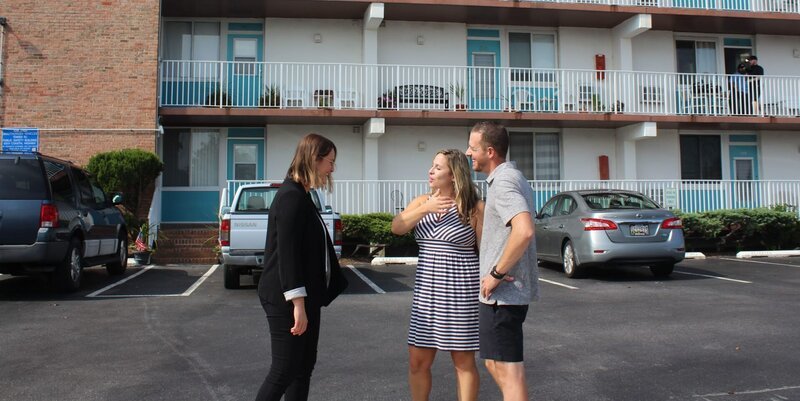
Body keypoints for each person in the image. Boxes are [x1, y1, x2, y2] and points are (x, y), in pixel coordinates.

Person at [255, 133, 348, 401]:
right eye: (329, 161)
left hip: (306, 297)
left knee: (302, 368)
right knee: (284, 369)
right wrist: (298, 305)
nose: (332, 168)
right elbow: (288, 255)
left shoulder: (302, 195)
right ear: (313, 159)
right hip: (286, 299)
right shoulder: (290, 197)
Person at [391, 149, 485, 401]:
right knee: (417, 362)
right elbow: (397, 226)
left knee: (463, 363)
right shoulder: (422, 201)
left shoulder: (473, 208)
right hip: (426, 296)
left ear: (453, 175)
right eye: (431, 166)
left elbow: (485, 250)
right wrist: (427, 208)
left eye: (437, 167)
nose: (430, 171)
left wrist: (496, 276)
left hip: (460, 295)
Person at [465, 121, 538, 401]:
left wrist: (496, 273)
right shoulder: (512, 177)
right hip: (503, 296)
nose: (468, 153)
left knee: (509, 373)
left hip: (502, 296)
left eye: (473, 148)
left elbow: (524, 229)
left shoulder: (504, 181)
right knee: (496, 364)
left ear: (491, 151)